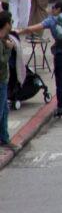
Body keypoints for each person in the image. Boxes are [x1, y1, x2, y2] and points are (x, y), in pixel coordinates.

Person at [17, 0, 62, 117]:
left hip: (61, 55)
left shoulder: (52, 20)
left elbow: (33, 28)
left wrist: (19, 31)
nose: (52, 9)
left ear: (58, 9)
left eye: (53, 8)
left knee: (61, 83)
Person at [0, 12, 17, 145]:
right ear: (6, 24)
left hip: (4, 79)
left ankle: (4, 137)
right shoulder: (1, 43)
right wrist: (8, 50)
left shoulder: (4, 39)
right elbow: (2, 60)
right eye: (10, 22)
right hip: (1, 79)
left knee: (5, 109)